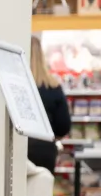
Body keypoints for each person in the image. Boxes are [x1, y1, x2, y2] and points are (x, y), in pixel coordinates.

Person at [27, 35, 71, 174]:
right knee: (41, 191)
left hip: (18, 147)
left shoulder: (17, 85)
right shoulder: (53, 86)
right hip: (44, 149)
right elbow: (63, 127)